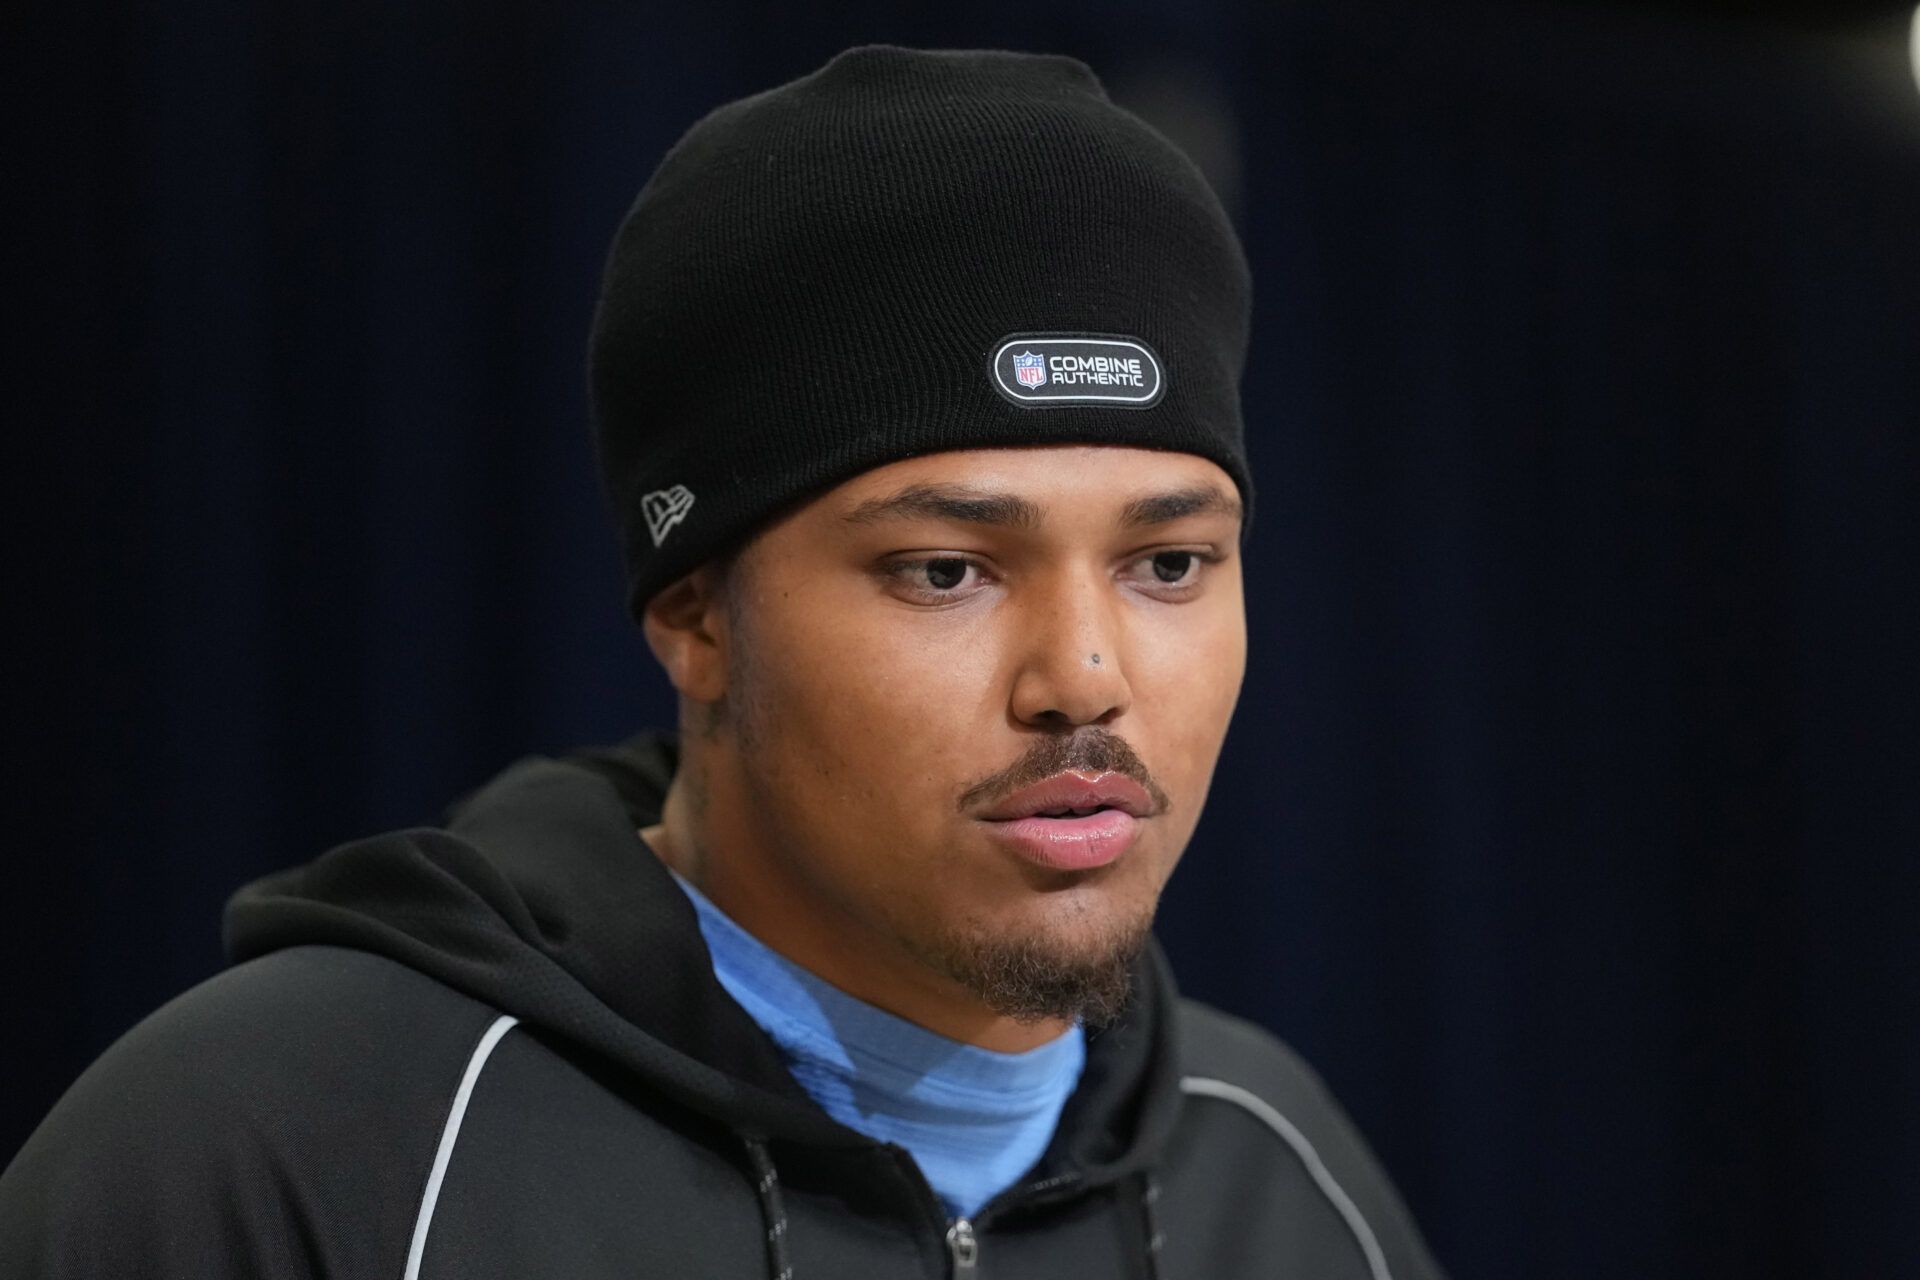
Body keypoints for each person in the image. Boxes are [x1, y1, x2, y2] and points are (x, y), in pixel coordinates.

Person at [1, 45, 1445, 1279]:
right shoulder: (279, 1151)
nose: (1082, 674)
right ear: (694, 614)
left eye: (1168, 564)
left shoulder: (1290, 1184)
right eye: (945, 569)